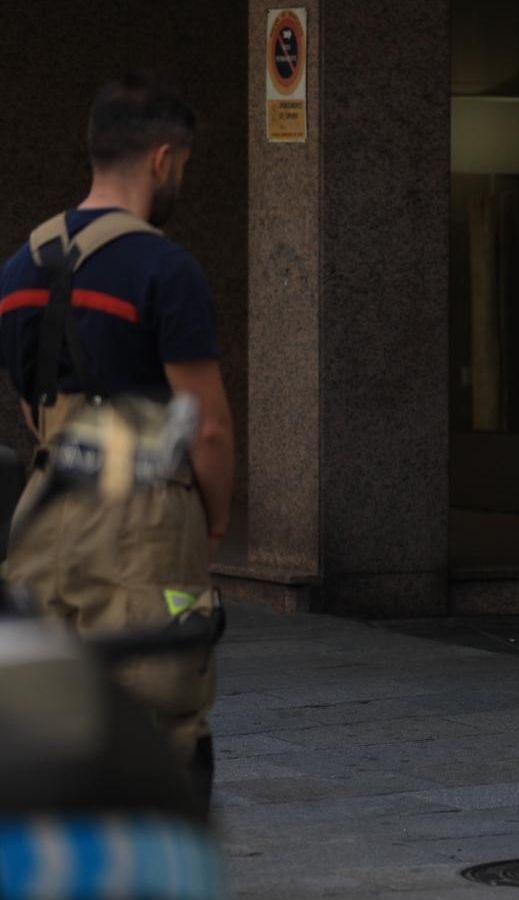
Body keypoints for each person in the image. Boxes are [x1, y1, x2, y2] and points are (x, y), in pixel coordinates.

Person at [0, 74, 234, 805]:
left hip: (45, 512)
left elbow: (27, 400)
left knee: (44, 711)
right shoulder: (166, 268)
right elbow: (210, 425)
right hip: (146, 519)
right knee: (161, 706)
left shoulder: (19, 268)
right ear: (162, 158)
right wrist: (215, 518)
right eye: (185, 165)